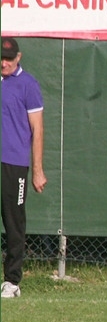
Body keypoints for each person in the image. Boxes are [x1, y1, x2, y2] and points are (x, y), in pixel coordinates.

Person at [1, 37, 47, 298]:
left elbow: (37, 129)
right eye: (1, 58)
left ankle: (12, 281)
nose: (4, 63)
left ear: (18, 57)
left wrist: (37, 170)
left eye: (9, 58)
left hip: (14, 164)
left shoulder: (28, 84)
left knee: (13, 222)